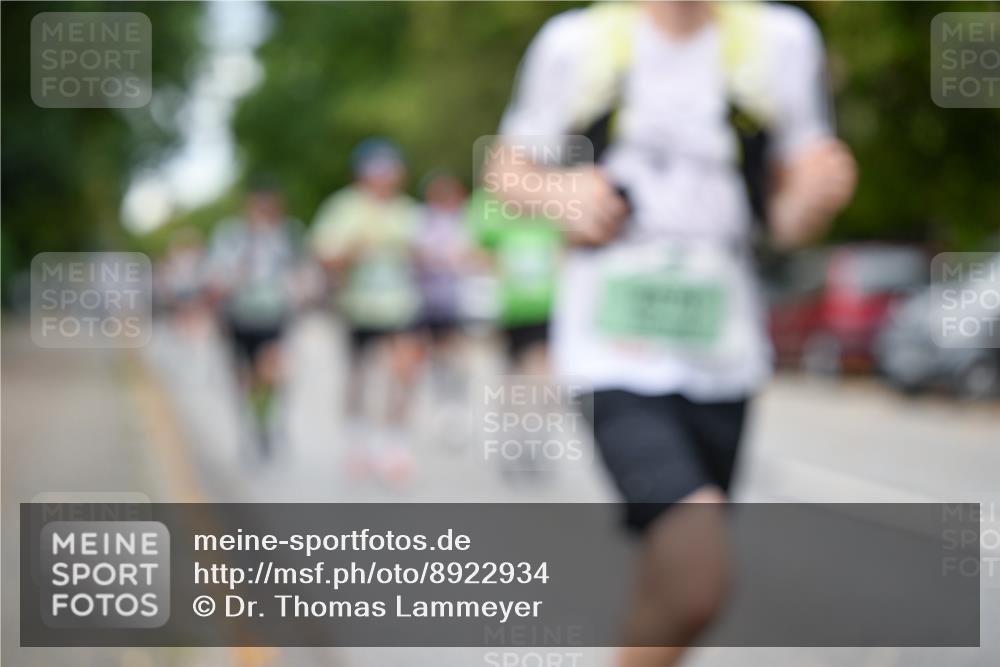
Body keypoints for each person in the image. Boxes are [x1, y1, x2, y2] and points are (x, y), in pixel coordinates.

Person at [487, 1, 857, 664]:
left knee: (669, 570)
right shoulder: (579, 43)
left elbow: (788, 219)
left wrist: (816, 194)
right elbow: (506, 172)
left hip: (725, 354)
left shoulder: (779, 40)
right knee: (695, 576)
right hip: (611, 353)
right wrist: (562, 196)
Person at [311, 138, 424, 486]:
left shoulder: (407, 211)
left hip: (400, 306)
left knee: (404, 372)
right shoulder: (343, 208)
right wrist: (354, 250)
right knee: (358, 378)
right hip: (358, 307)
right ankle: (356, 440)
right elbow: (324, 255)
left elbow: (427, 255)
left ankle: (394, 445)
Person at [206, 179, 305, 459]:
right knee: (245, 376)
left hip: (274, 314)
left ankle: (269, 418)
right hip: (239, 314)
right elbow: (218, 275)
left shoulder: (287, 234)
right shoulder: (231, 236)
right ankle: (252, 424)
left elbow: (299, 272)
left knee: (271, 371)